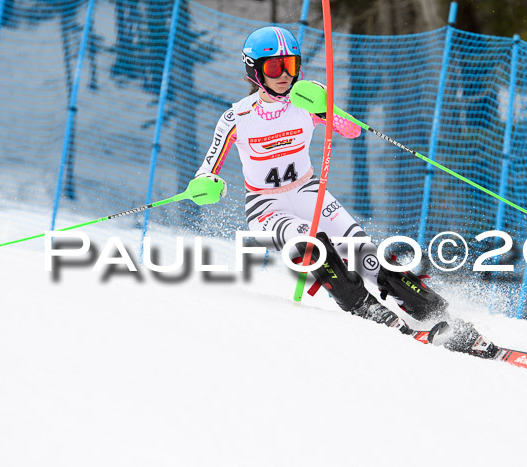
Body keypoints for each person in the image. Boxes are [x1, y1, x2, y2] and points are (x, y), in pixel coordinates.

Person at [191, 26, 492, 356]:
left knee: (367, 256)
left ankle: (439, 316)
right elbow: (207, 170)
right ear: (254, 70)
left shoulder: (307, 95)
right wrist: (206, 185)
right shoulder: (237, 116)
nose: (285, 76)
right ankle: (368, 310)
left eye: (291, 66)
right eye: (275, 68)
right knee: (311, 246)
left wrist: (325, 109)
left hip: (308, 191)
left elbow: (351, 131)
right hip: (266, 206)